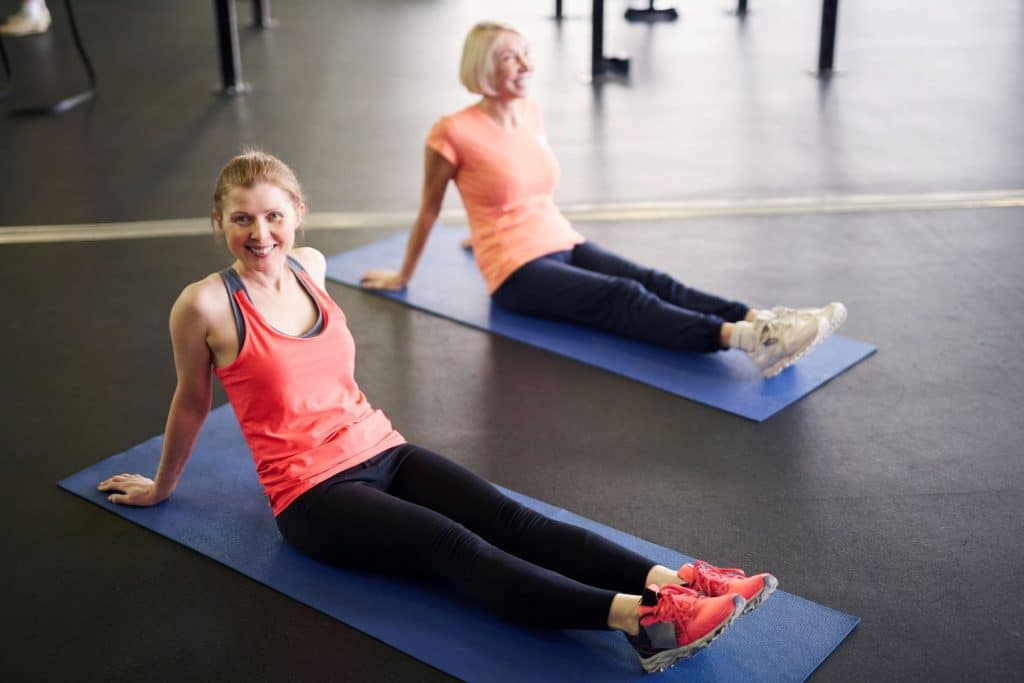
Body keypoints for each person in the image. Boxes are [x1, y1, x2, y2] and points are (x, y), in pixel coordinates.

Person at [96, 150, 778, 673]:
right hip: (313, 494)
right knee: (455, 548)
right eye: (242, 218)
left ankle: (680, 580)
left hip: (382, 446)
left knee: (515, 518)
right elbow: (191, 401)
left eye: (273, 215)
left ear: (298, 213)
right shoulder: (206, 305)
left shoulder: (311, 264)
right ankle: (645, 621)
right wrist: (162, 486)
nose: (260, 232)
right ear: (219, 221)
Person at [360, 21, 846, 379]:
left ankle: (760, 317)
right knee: (623, 297)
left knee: (652, 279)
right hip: (515, 273)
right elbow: (429, 207)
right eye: (512, 57)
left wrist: (481, 226)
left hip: (559, 237)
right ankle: (748, 342)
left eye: (528, 54)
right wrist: (404, 275)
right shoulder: (451, 132)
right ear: (484, 66)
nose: (527, 66)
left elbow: (519, 185)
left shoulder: (529, 111)